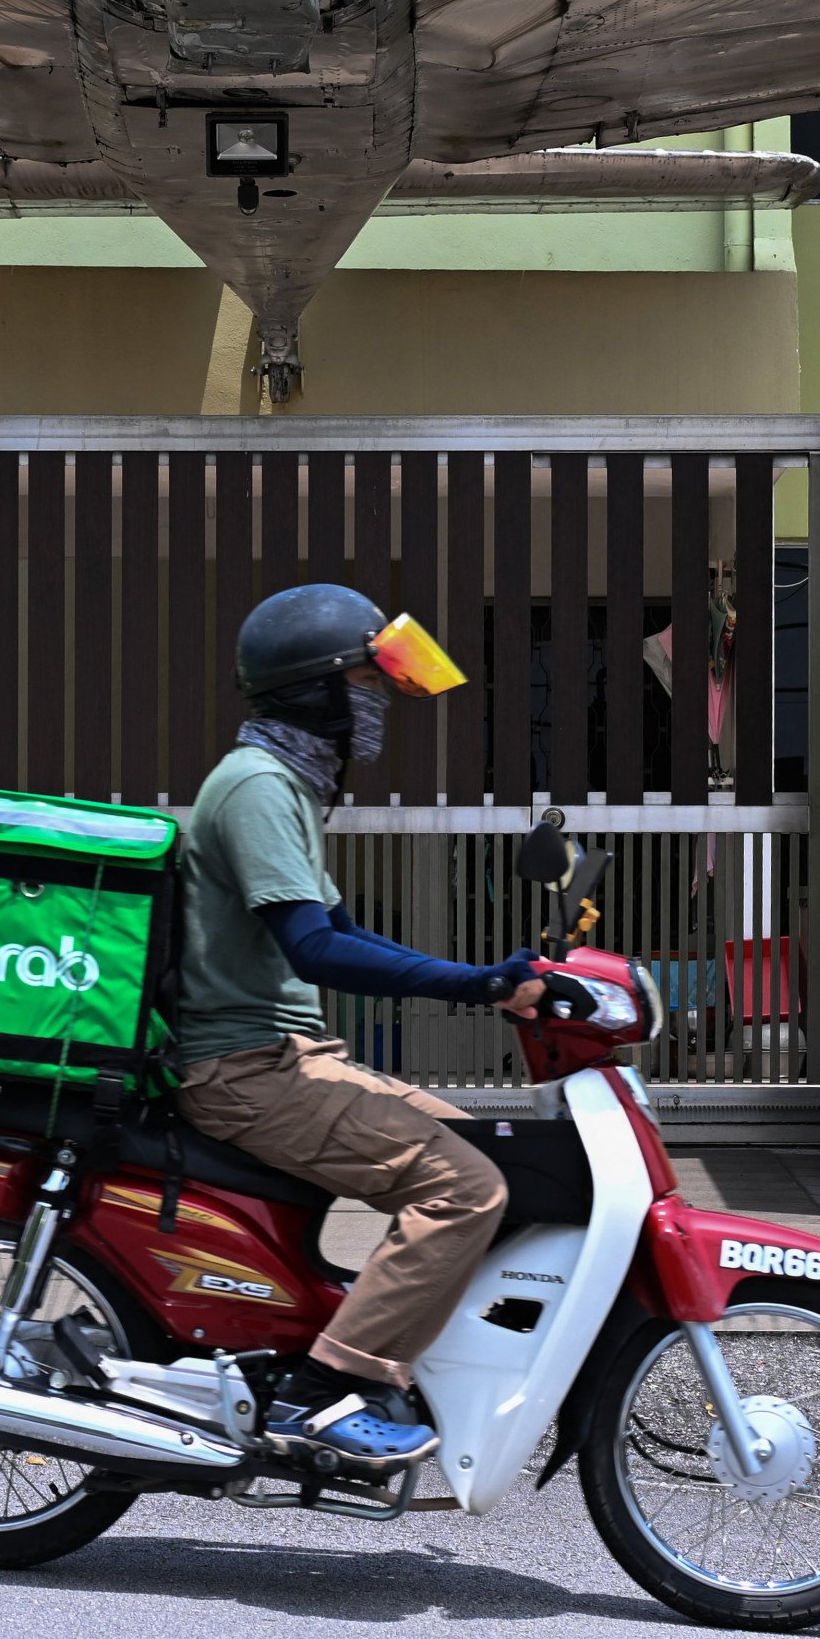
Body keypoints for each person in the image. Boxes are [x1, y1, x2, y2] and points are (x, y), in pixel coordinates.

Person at [171, 583, 571, 1473]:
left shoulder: (287, 785)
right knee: (465, 1189)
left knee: (504, 1163)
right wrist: (473, 985)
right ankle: (328, 1388)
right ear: (314, 688)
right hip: (243, 1069)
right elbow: (315, 950)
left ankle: (393, 1344)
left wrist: (488, 977)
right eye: (366, 679)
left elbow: (346, 932)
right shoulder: (257, 786)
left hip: (285, 1057)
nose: (378, 699)